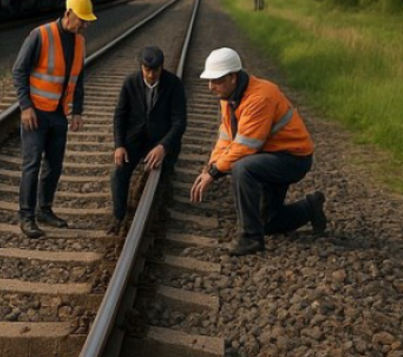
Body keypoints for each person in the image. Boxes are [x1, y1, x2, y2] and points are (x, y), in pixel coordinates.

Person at [189, 47, 327, 256]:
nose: (210, 87)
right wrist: (211, 165)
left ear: (233, 78)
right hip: (270, 156)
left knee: (242, 168)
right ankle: (310, 208)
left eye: (215, 81)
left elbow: (246, 146)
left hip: (292, 158)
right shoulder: (230, 97)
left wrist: (215, 172)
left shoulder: (260, 97)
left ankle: (250, 238)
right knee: (268, 222)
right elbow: (226, 136)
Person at [11, 0, 96, 239]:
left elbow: (78, 79)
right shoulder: (41, 35)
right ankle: (26, 217)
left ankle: (44, 209)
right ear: (68, 14)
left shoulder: (79, 42)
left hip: (59, 114)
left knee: (54, 166)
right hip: (35, 113)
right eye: (82, 19)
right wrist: (25, 106)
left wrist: (77, 110)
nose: (85, 25)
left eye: (87, 20)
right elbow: (18, 71)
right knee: (32, 164)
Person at [110, 46, 187, 233]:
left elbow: (180, 122)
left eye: (155, 70)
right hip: (135, 140)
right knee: (118, 174)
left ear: (162, 67)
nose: (151, 74)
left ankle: (155, 217)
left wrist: (164, 146)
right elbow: (119, 115)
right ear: (141, 67)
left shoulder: (174, 84)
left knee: (161, 179)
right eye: (147, 70)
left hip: (161, 141)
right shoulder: (130, 83)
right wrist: (119, 146)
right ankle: (118, 216)